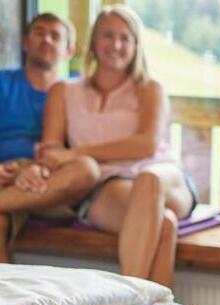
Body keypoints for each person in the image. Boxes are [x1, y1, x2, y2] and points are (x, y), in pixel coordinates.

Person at [37, 5, 196, 287]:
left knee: (149, 181)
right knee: (164, 224)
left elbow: (145, 144)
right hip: (108, 182)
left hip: (163, 177)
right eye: (107, 36)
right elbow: (51, 150)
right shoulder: (64, 91)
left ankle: (128, 298)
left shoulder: (150, 89)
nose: (116, 45)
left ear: (136, 46)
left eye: (125, 38)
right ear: (93, 42)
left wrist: (75, 153)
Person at [0, 13, 99, 262]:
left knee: (85, 169)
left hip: (52, 180)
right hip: (6, 175)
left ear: (69, 50)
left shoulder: (79, 91)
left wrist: (39, 167)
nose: (46, 40)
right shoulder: (3, 83)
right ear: (25, 42)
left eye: (55, 36)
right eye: (39, 32)